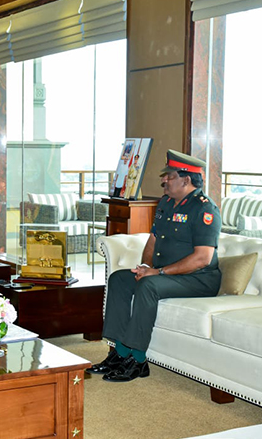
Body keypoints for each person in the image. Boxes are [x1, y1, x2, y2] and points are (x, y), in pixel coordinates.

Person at [87, 149, 222, 382]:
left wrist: (157, 272)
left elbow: (202, 258)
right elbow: (153, 239)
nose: (164, 180)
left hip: (198, 279)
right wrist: (144, 266)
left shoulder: (204, 209)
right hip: (166, 275)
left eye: (170, 176)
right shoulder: (166, 203)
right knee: (119, 279)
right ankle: (119, 353)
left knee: (148, 285)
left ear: (186, 180)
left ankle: (138, 360)